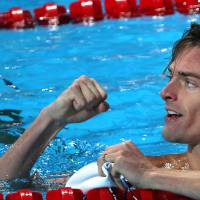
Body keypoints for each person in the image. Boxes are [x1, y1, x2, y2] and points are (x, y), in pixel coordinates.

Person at [0, 23, 200, 199]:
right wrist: (50, 120)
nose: (165, 92)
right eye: (170, 77)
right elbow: (9, 186)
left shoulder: (148, 172)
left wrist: (150, 176)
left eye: (190, 83)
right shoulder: (138, 170)